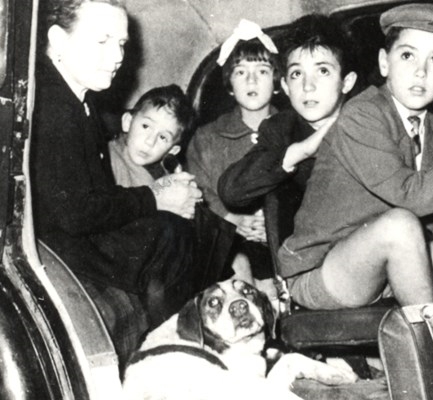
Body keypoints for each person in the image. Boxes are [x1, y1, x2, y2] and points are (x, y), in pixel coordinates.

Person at [278, 3, 433, 310]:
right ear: (384, 62)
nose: (421, 71)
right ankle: (431, 347)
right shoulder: (362, 115)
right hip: (326, 268)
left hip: (397, 261)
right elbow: (408, 195)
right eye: (407, 55)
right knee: (399, 225)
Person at [31, 0, 202, 365]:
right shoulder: (50, 106)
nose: (117, 56)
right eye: (103, 41)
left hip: (71, 237)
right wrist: (155, 197)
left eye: (121, 44)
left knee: (178, 229)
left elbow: (98, 196)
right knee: (172, 234)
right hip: (58, 248)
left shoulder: (81, 101)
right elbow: (76, 214)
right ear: (58, 41)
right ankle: (171, 354)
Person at [217, 14, 358, 223]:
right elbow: (231, 190)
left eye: (322, 70)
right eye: (297, 74)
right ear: (285, 87)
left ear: (346, 82)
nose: (308, 86)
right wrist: (300, 151)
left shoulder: (368, 121)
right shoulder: (281, 129)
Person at [186, 19, 281, 283]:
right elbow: (200, 194)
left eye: (262, 71)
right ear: (229, 85)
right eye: (241, 72)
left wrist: (276, 224)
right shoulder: (206, 138)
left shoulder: (292, 132)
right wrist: (232, 219)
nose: (251, 79)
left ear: (276, 82)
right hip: (230, 247)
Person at [109, 84, 195, 188]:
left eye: (162, 137)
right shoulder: (108, 160)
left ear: (172, 150)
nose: (150, 141)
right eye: (145, 126)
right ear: (127, 122)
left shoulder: (164, 174)